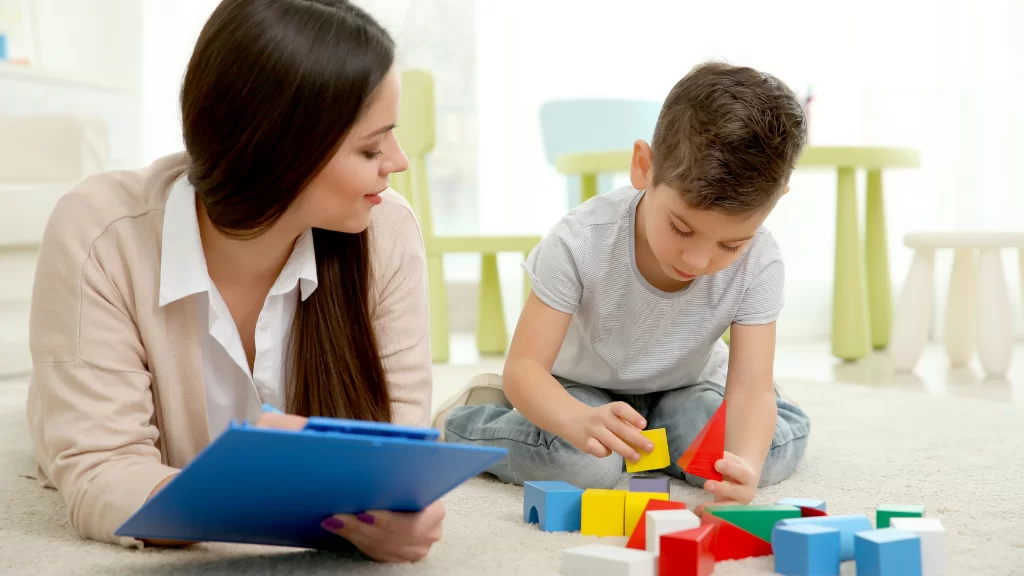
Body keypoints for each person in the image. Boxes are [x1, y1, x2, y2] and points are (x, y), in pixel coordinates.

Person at [26, 0, 443, 562]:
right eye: (370, 147)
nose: (397, 162)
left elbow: (399, 450)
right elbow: (100, 470)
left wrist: (396, 513)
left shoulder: (386, 230)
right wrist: (280, 488)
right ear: (280, 151)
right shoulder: (100, 233)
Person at [434, 62, 811, 507]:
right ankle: (469, 422)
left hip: (684, 390)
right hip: (581, 388)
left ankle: (717, 429)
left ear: (775, 202)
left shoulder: (761, 259)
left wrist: (744, 464)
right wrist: (575, 419)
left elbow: (750, 389)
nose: (698, 260)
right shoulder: (579, 241)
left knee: (752, 458)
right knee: (583, 465)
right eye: (682, 228)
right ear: (644, 167)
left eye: (730, 243)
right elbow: (525, 370)